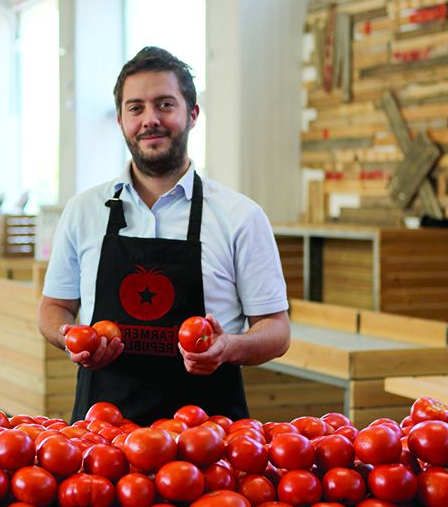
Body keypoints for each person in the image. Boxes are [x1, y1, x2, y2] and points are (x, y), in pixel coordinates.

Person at [37, 46, 290, 426]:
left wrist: (229, 346)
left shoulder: (241, 217)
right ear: (121, 120)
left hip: (208, 439)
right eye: (135, 108)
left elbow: (277, 329)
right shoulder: (83, 210)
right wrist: (70, 336)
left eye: (165, 105)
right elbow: (52, 309)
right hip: (103, 435)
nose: (149, 120)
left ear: (192, 114)